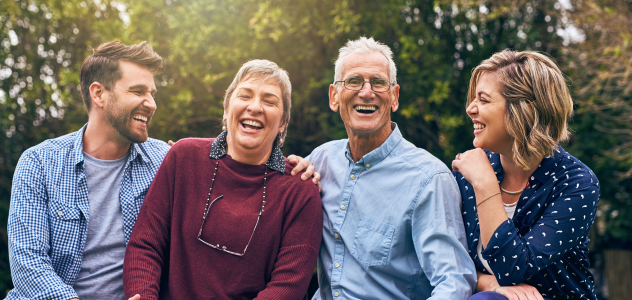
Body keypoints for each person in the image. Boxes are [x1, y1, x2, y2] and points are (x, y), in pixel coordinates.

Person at [5, 42, 317, 300]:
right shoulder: (40, 164)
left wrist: (294, 164)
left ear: (283, 122)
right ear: (98, 94)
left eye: (152, 93)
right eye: (138, 91)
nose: (152, 103)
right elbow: (28, 264)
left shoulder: (167, 157)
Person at [122, 59, 322, 300]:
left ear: (282, 123)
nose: (255, 107)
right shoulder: (183, 158)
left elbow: (287, 287)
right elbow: (145, 245)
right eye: (245, 96)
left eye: (269, 101)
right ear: (227, 110)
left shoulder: (300, 191)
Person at [308, 37, 476, 300]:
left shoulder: (429, 178)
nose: (366, 92)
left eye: (378, 82)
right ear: (334, 96)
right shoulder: (320, 161)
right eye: (354, 81)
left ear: (394, 97)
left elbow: (453, 281)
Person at [452, 50, 600, 300]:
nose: (470, 109)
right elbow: (442, 262)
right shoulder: (467, 172)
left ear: (524, 110)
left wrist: (486, 185)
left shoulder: (576, 183)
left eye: (484, 100)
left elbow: (512, 268)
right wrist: (489, 284)